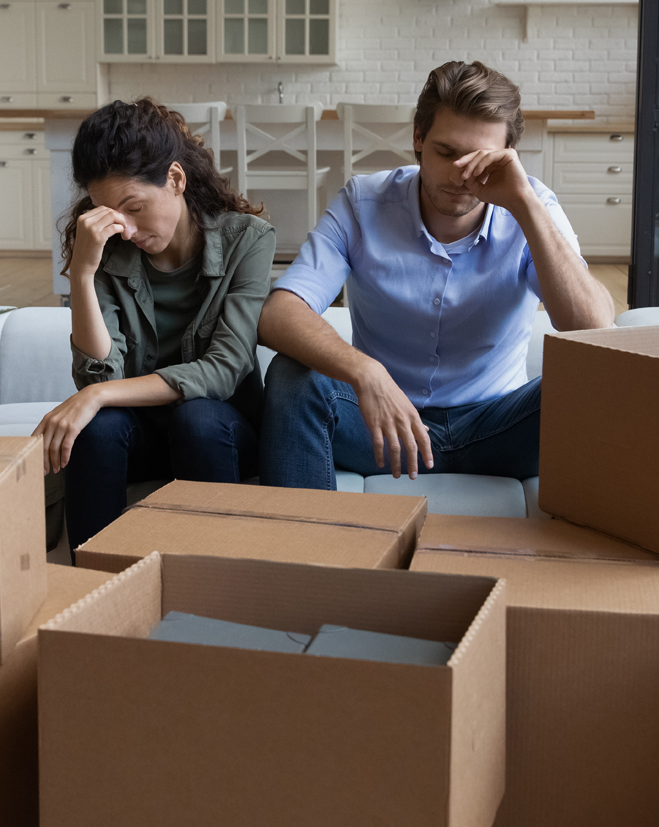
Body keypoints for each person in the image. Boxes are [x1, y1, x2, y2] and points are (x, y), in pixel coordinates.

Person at [257, 61, 614, 490]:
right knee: (290, 377)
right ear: (418, 140)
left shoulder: (532, 205)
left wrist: (524, 205)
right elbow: (280, 313)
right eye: (446, 153)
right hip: (381, 426)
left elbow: (595, 328)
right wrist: (366, 373)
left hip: (500, 425)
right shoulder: (363, 203)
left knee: (603, 382)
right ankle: (304, 552)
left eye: (481, 159)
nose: (462, 175)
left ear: (508, 156)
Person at [33, 98, 276, 555]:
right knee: (96, 427)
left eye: (135, 207)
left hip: (219, 433)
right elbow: (97, 375)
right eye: (110, 214)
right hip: (140, 435)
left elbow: (224, 368)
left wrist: (98, 395)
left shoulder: (248, 239)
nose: (125, 229)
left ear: (176, 179)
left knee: (197, 418)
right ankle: (94, 591)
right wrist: (83, 274)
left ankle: (215, 585)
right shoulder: (106, 248)